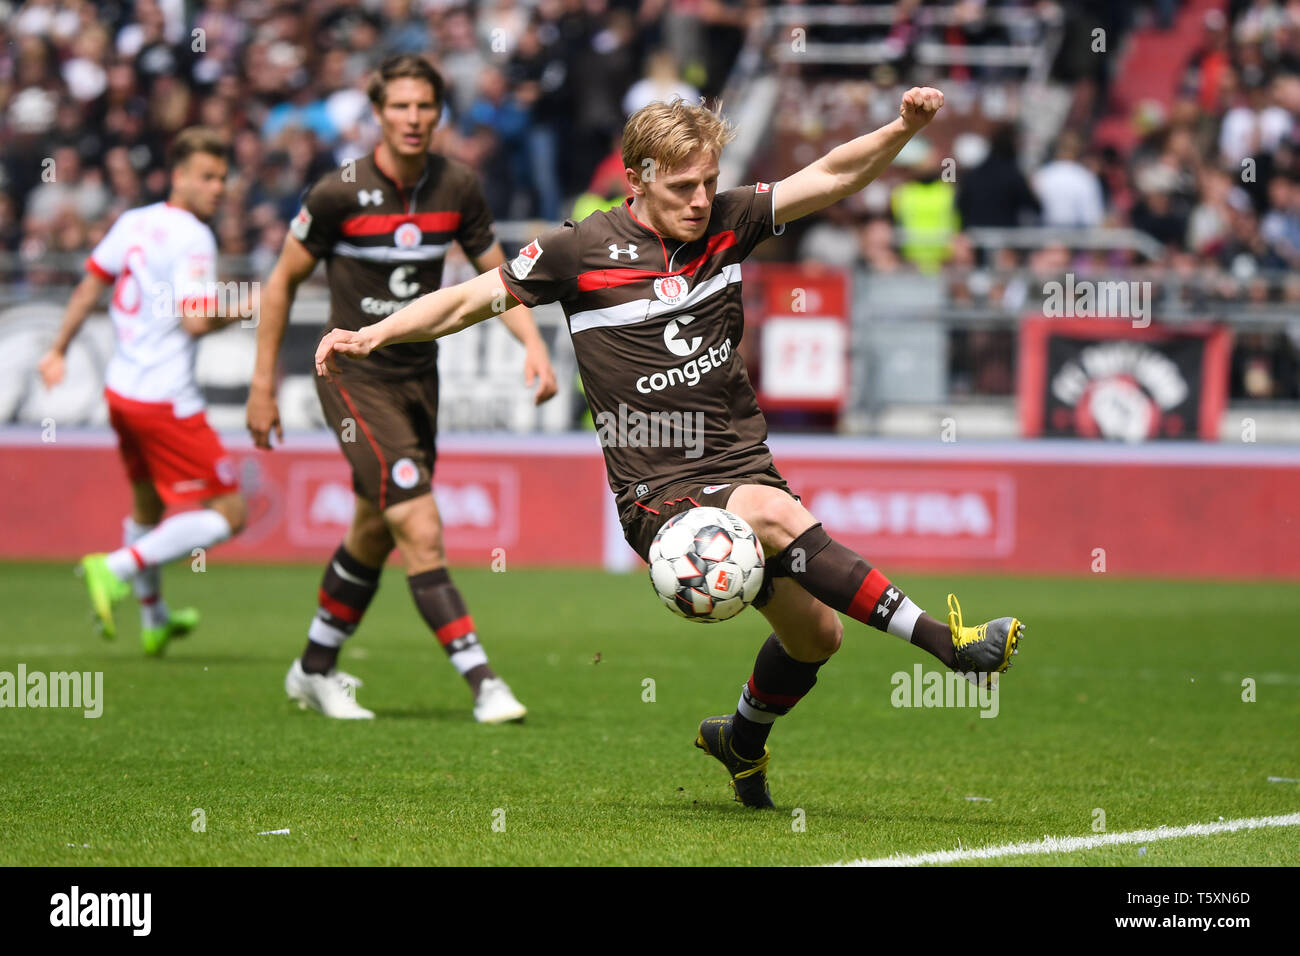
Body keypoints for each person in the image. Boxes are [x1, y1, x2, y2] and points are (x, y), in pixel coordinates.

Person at [313, 90, 1025, 806]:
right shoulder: (577, 250)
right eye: (682, 186)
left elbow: (833, 176)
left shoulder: (729, 220)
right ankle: (946, 645)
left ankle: (739, 738)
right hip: (656, 492)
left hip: (742, 462)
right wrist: (375, 334)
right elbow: (470, 299)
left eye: (709, 182)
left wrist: (903, 127)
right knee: (773, 516)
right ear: (637, 179)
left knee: (816, 638)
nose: (700, 199)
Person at [247, 55, 558, 723]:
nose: (413, 119)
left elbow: (498, 281)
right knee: (417, 520)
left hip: (420, 376)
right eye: (400, 107)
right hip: (352, 375)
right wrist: (261, 386)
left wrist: (534, 345)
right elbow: (279, 285)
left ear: (439, 112)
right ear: (378, 113)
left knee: (373, 529)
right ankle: (483, 681)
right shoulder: (337, 192)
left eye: (425, 107)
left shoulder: (459, 188)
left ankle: (313, 670)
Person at [39, 126, 252, 655]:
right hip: (165, 398)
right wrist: (247, 305)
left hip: (121, 392)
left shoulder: (134, 222)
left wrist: (58, 349)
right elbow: (197, 322)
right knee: (230, 513)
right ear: (177, 176)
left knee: (149, 506)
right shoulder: (195, 237)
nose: (217, 188)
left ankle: (154, 618)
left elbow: (92, 282)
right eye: (206, 177)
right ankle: (113, 568)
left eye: (222, 178)